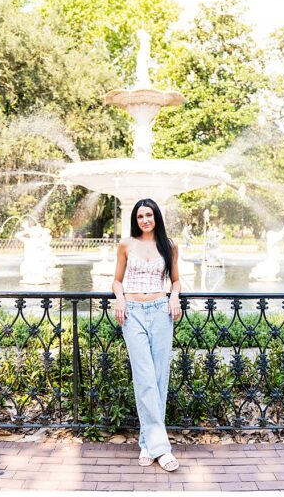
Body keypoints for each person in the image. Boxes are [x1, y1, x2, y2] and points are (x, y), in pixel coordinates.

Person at [112, 198, 182, 472]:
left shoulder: (170, 245)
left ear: (156, 217)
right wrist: (120, 299)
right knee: (144, 378)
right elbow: (117, 281)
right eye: (140, 216)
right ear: (135, 219)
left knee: (159, 377)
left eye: (149, 215)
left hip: (161, 312)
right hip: (133, 314)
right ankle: (162, 449)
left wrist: (174, 298)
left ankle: (146, 443)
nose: (145, 220)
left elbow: (176, 280)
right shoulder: (126, 245)